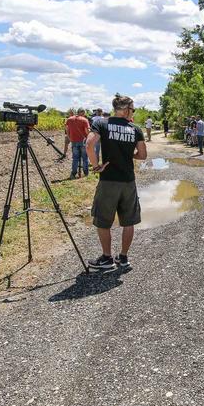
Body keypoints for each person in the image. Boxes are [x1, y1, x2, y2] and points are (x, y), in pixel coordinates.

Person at [86, 94, 147, 273]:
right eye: (133, 109)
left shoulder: (102, 123)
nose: (133, 112)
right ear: (126, 110)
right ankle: (123, 257)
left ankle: (107, 258)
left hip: (108, 181)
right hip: (128, 181)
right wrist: (129, 155)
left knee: (103, 221)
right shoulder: (135, 129)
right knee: (128, 222)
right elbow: (143, 155)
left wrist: (96, 166)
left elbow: (89, 145)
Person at [66, 108, 91, 178]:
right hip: (83, 141)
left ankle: (73, 173)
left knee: (75, 158)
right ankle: (86, 173)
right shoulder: (84, 120)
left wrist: (69, 138)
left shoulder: (69, 119)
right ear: (82, 113)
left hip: (74, 141)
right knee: (85, 158)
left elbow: (67, 130)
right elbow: (87, 131)